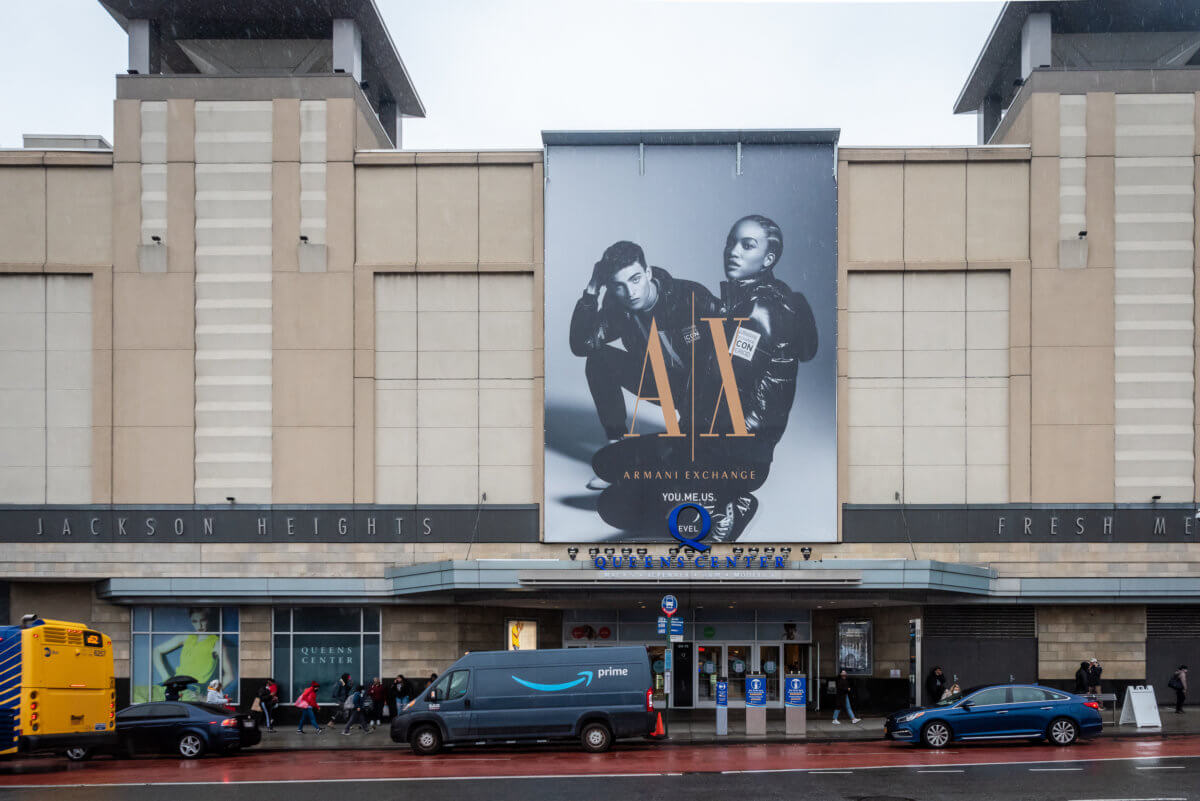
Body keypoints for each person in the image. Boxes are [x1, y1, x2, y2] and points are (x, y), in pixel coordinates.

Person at [569, 240, 719, 490]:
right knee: (599, 359)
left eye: (636, 279)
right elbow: (583, 345)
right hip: (661, 382)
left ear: (648, 273)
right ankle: (617, 450)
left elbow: (730, 347)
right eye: (619, 286)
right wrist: (592, 288)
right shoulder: (618, 306)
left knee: (693, 462)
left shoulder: (690, 296)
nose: (630, 292)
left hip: (705, 390)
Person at [151, 607, 234, 700]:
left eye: (203, 620)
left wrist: (207, 697)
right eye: (195, 621)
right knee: (139, 693)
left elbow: (229, 675)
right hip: (173, 684)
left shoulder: (217, 643)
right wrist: (166, 678)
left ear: (208, 619)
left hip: (192, 689)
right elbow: (156, 651)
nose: (199, 625)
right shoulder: (186, 637)